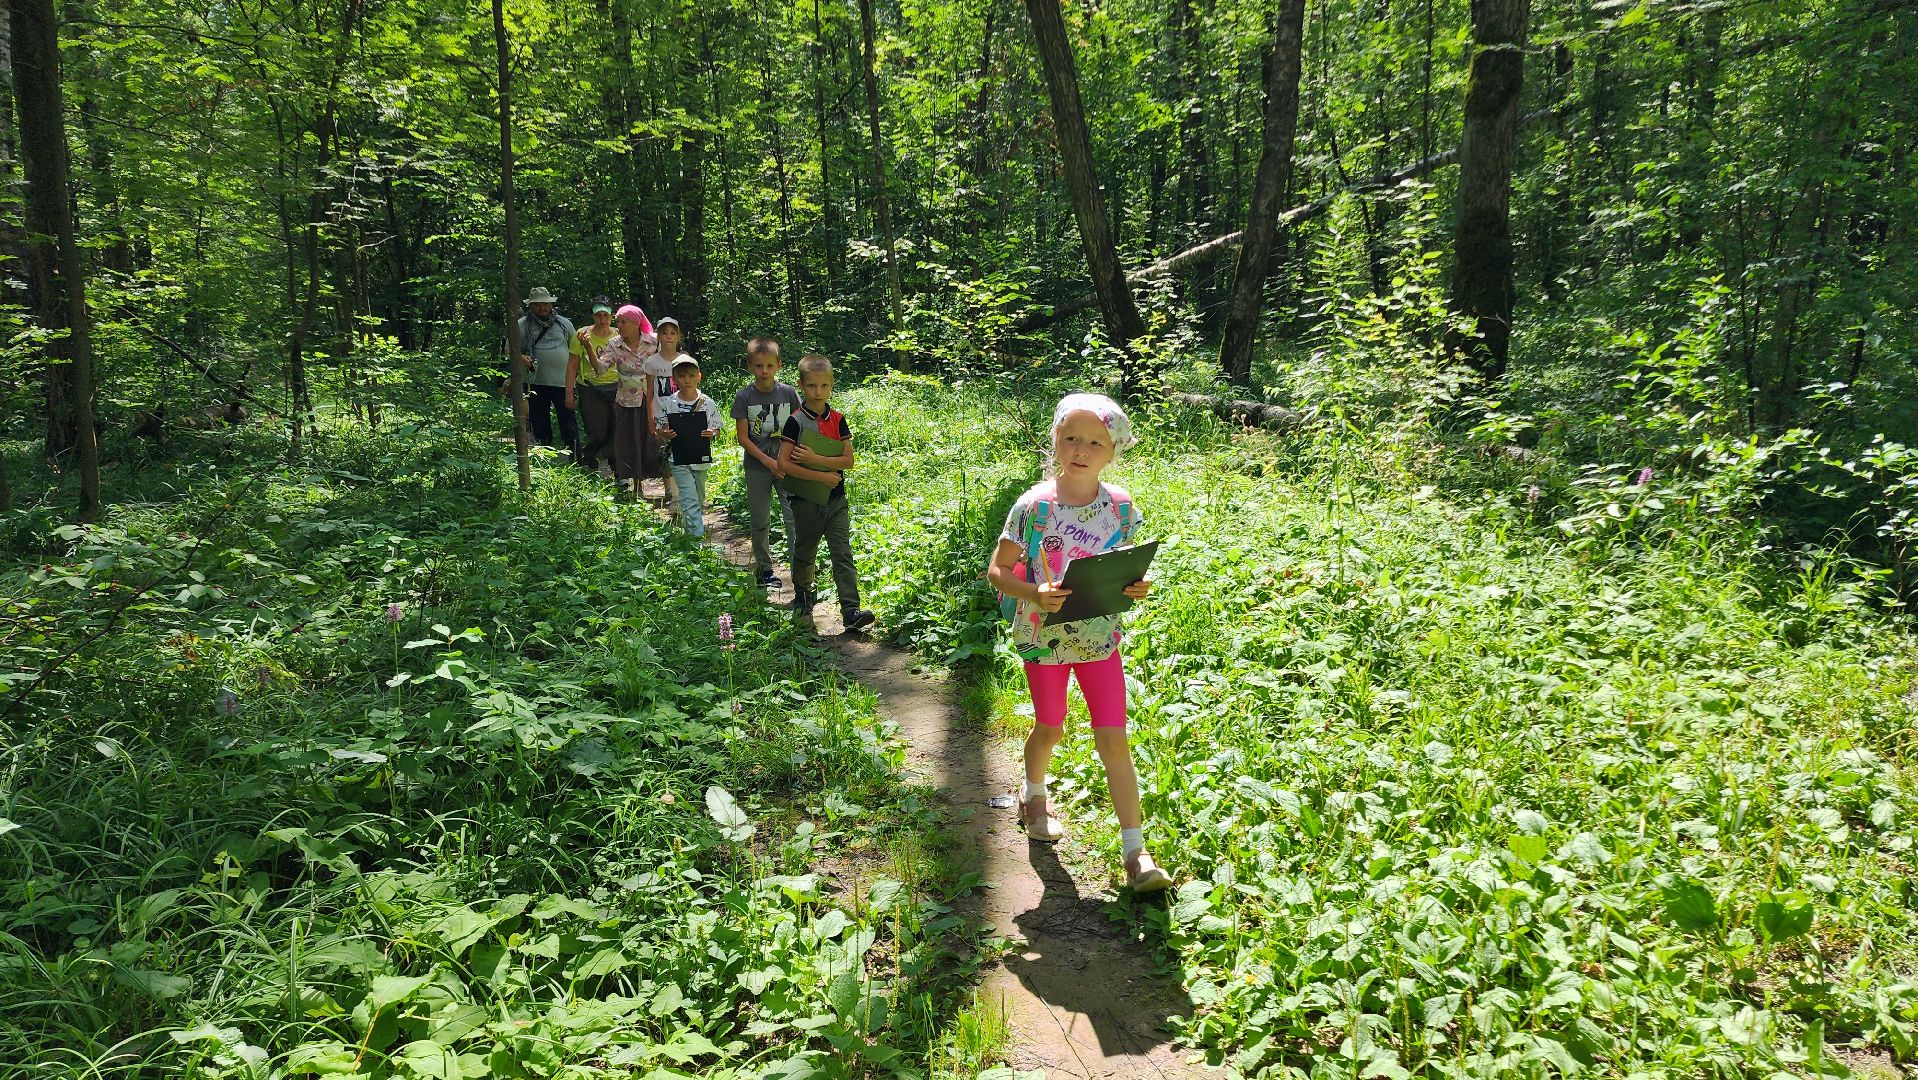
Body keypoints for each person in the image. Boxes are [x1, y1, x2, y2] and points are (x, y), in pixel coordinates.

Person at [984, 393, 1171, 893]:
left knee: (1114, 737)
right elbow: (997, 571)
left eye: (1095, 442)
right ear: (1055, 441)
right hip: (1044, 641)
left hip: (1099, 639)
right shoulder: (1033, 506)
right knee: (1050, 727)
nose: (1081, 450)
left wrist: (1135, 586)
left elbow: (1123, 567)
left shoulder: (1122, 507)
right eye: (1071, 438)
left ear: (1113, 451)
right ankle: (1033, 796)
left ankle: (1136, 852)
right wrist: (1033, 592)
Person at [776, 355, 876, 632]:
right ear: (801, 386)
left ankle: (851, 610)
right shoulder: (795, 422)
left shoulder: (839, 420)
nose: (817, 392)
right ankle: (803, 597)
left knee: (842, 554)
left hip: (835, 500)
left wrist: (815, 457)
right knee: (805, 553)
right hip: (805, 501)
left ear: (831, 386)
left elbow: (848, 461)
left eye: (823, 386)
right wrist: (822, 474)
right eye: (811, 386)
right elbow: (784, 465)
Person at [731, 337, 803, 588]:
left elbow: (798, 428)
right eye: (759, 365)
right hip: (757, 468)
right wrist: (769, 462)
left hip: (787, 467)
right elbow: (743, 438)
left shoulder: (789, 394)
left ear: (779, 365)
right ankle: (764, 571)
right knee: (760, 520)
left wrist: (786, 461)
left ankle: (801, 575)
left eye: (770, 366)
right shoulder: (744, 397)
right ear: (750, 365)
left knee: (793, 518)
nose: (765, 371)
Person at [652, 354, 721, 538]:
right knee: (689, 498)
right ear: (674, 379)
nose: (687, 380)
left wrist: (711, 433)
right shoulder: (669, 403)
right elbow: (660, 429)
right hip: (679, 458)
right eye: (682, 376)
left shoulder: (708, 403)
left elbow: (717, 429)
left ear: (699, 376)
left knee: (698, 497)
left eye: (691, 375)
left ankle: (689, 523)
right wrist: (665, 434)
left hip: (701, 458)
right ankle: (695, 540)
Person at [591, 304, 657, 494]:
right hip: (626, 402)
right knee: (630, 442)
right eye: (618, 321)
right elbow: (601, 369)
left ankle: (667, 485)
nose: (619, 325)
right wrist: (588, 347)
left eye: (623, 321)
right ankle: (636, 486)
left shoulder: (653, 342)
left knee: (652, 441)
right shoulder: (615, 344)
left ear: (636, 323)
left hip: (650, 399)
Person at [514, 287, 578, 455]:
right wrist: (521, 358)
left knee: (569, 423)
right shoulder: (521, 326)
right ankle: (544, 460)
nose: (542, 308)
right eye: (537, 305)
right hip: (535, 382)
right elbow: (509, 350)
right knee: (540, 423)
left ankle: (576, 457)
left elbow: (577, 348)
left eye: (545, 304)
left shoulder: (564, 324)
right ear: (531, 306)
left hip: (564, 382)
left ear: (551, 305)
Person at [569, 296, 620, 477]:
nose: (601, 318)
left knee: (616, 429)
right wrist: (569, 392)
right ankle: (590, 460)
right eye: (597, 314)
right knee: (597, 430)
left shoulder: (618, 334)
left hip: (616, 386)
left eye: (605, 314)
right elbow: (573, 364)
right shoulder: (582, 335)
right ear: (592, 316)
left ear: (611, 316)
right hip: (590, 387)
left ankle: (616, 469)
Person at [648, 318, 688, 519]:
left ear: (678, 336)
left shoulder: (684, 359)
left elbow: (692, 387)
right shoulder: (652, 362)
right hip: (660, 415)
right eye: (664, 333)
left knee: (681, 452)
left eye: (673, 333)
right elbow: (648, 391)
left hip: (682, 413)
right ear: (659, 336)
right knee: (665, 452)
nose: (669, 336)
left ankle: (682, 493)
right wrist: (649, 416)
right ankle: (670, 491)